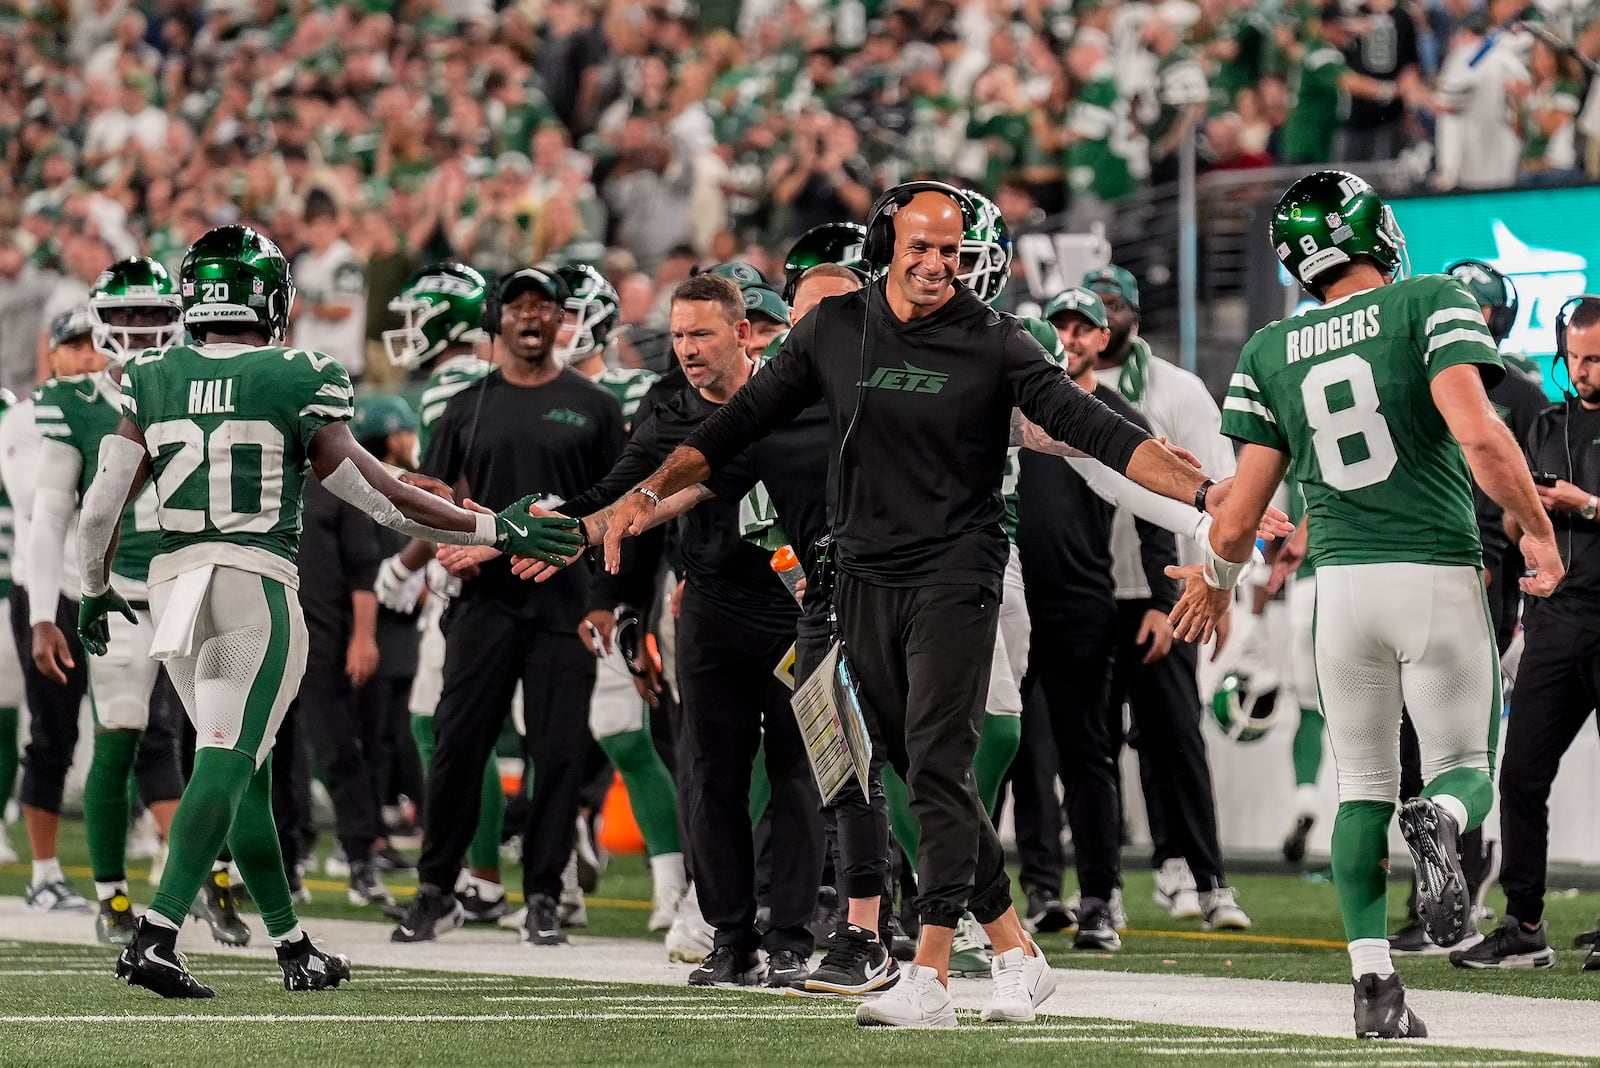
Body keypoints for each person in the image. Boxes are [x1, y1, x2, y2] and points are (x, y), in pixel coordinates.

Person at [592, 181, 1219, 1029]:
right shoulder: (833, 327)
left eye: (950, 251)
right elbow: (732, 428)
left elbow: (1092, 429)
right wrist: (643, 492)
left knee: (934, 763)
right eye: (920, 247)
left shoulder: (995, 340)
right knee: (899, 761)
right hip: (857, 578)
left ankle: (926, 973)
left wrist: (1216, 497)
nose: (935, 265)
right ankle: (1015, 950)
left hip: (957, 573)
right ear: (885, 244)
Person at [75, 225, 579, 999]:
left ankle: (292, 945)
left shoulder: (152, 373)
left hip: (174, 587)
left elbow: (100, 506)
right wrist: (495, 527)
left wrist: (96, 587)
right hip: (252, 581)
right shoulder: (297, 371)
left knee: (241, 766)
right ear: (268, 297)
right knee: (228, 760)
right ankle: (158, 931)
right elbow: (379, 497)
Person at [1171, 170, 1562, 1039]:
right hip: (1431, 573)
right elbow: (1477, 430)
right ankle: (1442, 819)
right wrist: (1536, 531)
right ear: (1375, 232)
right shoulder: (1429, 298)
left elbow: (1239, 515)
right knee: (1464, 769)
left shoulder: (1269, 347)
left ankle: (1374, 988)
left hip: (1337, 591)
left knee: (1359, 789)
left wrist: (1217, 581)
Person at [551, 273, 824, 989]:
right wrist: (612, 589)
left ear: (743, 332)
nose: (687, 349)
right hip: (709, 608)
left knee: (800, 774)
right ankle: (731, 938)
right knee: (712, 777)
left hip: (800, 609)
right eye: (676, 336)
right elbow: (621, 493)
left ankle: (792, 936)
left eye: (701, 333)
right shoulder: (667, 406)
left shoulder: (799, 393)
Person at [389, 266, 623, 948]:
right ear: (496, 319)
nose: (529, 316)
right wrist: (461, 538)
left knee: (556, 755)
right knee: (459, 745)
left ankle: (545, 894)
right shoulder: (469, 405)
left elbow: (617, 506)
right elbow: (430, 493)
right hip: (483, 605)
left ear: (559, 320)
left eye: (542, 305)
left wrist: (607, 601)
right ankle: (438, 887)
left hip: (565, 606)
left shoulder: (595, 405)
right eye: (516, 304)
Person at [1085, 262, 1250, 932]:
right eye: (1086, 309)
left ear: (1133, 314)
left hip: (1172, 586)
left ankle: (1206, 876)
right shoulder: (1057, 388)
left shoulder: (1176, 390)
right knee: (1091, 745)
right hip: (1089, 589)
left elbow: (1225, 486)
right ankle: (1143, 875)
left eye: (1110, 305)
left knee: (1175, 735)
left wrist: (1222, 579)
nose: (1099, 320)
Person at [30, 260, 189, 947]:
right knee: (120, 731)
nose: (138, 329)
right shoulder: (73, 400)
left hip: (193, 581)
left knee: (222, 740)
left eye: (151, 315)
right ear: (100, 321)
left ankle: (210, 880)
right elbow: (49, 514)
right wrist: (44, 610)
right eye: (124, 317)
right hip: (121, 591)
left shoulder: (202, 386)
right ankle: (112, 894)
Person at [1452, 295, 1600, 971]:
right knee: (1521, 775)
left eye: (1595, 358)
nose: (1584, 370)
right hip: (1555, 623)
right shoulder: (1543, 423)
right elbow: (1512, 527)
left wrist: (1584, 504)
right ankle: (1524, 922)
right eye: (1575, 357)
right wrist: (1524, 513)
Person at [373, 262, 509, 923]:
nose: (408, 332)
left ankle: (476, 877)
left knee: (446, 725)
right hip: (510, 557)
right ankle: (521, 876)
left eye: (418, 317)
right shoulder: (489, 374)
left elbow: (441, 496)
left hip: (471, 565)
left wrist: (404, 564)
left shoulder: (453, 385)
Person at [5, 309, 96, 916]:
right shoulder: (22, 418)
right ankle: (43, 871)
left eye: (97, 344)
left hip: (113, 585)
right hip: (46, 591)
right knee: (52, 731)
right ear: (53, 354)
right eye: (76, 345)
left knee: (148, 732)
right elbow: (37, 503)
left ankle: (181, 872)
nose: (89, 356)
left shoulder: (122, 406)